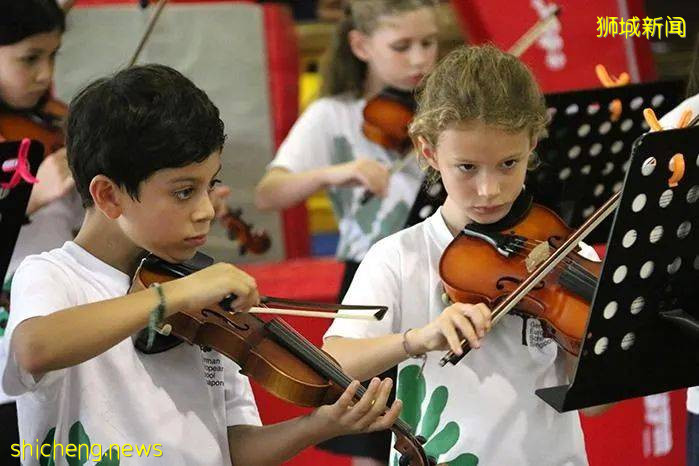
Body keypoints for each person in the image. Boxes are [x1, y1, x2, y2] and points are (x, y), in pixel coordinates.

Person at [1, 64, 402, 466]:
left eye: (210, 185)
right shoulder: (52, 275)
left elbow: (233, 450)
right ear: (108, 196)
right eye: (184, 192)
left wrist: (320, 425)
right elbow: (33, 349)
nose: (206, 210)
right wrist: (172, 295)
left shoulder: (204, 304)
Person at [322, 44, 605, 466]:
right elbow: (336, 360)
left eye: (509, 163)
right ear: (429, 151)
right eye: (467, 167)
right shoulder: (399, 257)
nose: (489, 190)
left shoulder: (566, 253)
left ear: (533, 143)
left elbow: (596, 407)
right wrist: (417, 339)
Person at [255, 1, 438, 463]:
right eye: (402, 46)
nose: (419, 59)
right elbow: (269, 192)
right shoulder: (333, 116)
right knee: (369, 435)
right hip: (368, 285)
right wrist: (334, 173)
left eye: (428, 43)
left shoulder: (443, 110)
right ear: (360, 45)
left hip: (444, 277)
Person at [0, 2, 76, 463]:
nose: (45, 74)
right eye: (29, 58)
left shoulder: (55, 126)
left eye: (53, 56)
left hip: (65, 333)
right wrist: (28, 197)